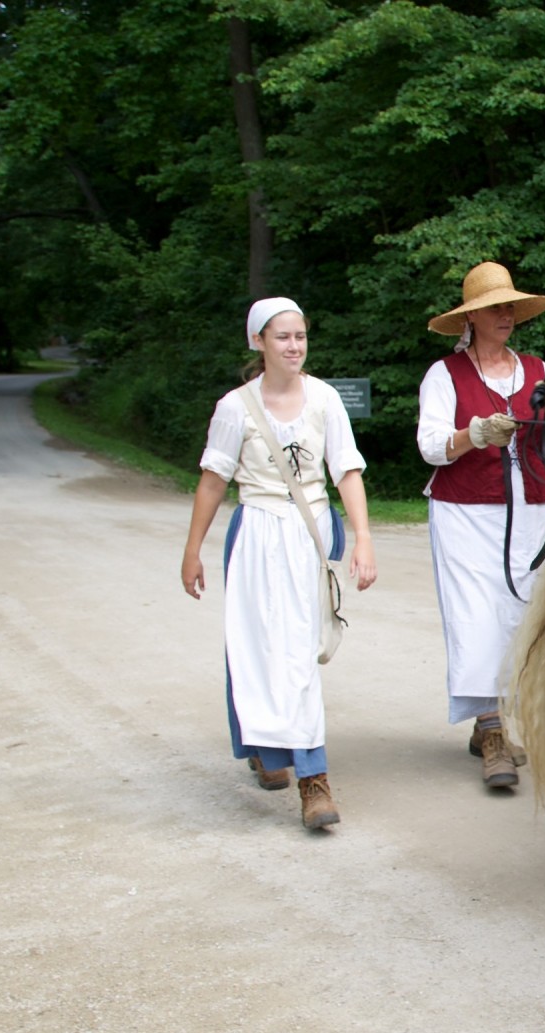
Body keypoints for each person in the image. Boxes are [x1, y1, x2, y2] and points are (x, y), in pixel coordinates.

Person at [181, 297, 377, 830]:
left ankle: (313, 778)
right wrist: (192, 549)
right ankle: (266, 751)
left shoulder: (325, 399)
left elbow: (348, 471)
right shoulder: (234, 407)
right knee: (252, 645)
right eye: (283, 337)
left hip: (307, 531)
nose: (294, 346)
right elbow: (213, 480)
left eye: (300, 336)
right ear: (258, 343)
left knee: (295, 652)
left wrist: (362, 538)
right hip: (256, 531)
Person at [417, 262, 545, 789]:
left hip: (530, 506)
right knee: (475, 615)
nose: (506, 315)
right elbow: (430, 446)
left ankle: (503, 711)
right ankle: (491, 732)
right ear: (474, 317)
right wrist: (475, 433)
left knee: (522, 612)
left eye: (510, 306)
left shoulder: (536, 368)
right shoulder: (446, 375)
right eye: (495, 308)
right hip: (465, 511)